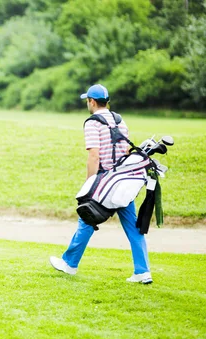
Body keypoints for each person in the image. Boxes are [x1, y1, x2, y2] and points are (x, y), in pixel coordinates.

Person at [49, 84, 152, 284]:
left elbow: (94, 155)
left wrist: (90, 184)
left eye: (87, 101)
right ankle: (142, 271)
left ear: (92, 102)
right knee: (133, 226)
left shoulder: (92, 123)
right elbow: (125, 152)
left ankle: (69, 264)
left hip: (104, 181)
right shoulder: (120, 121)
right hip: (122, 181)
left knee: (87, 218)